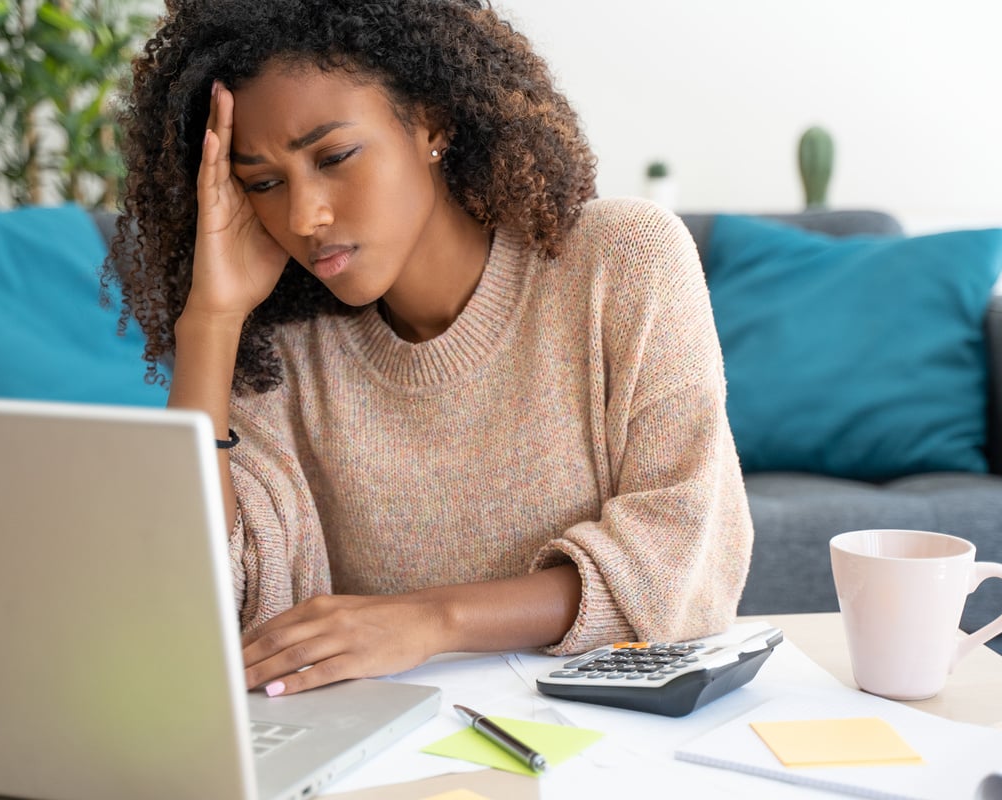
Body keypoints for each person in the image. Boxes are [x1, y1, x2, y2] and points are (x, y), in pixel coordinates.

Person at [107, 0, 753, 698]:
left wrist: (431, 621)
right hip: (388, 747)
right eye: (263, 183)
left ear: (432, 124)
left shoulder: (622, 260)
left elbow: (685, 562)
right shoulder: (280, 348)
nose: (304, 217)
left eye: (334, 156)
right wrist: (211, 320)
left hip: (609, 737)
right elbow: (195, 602)